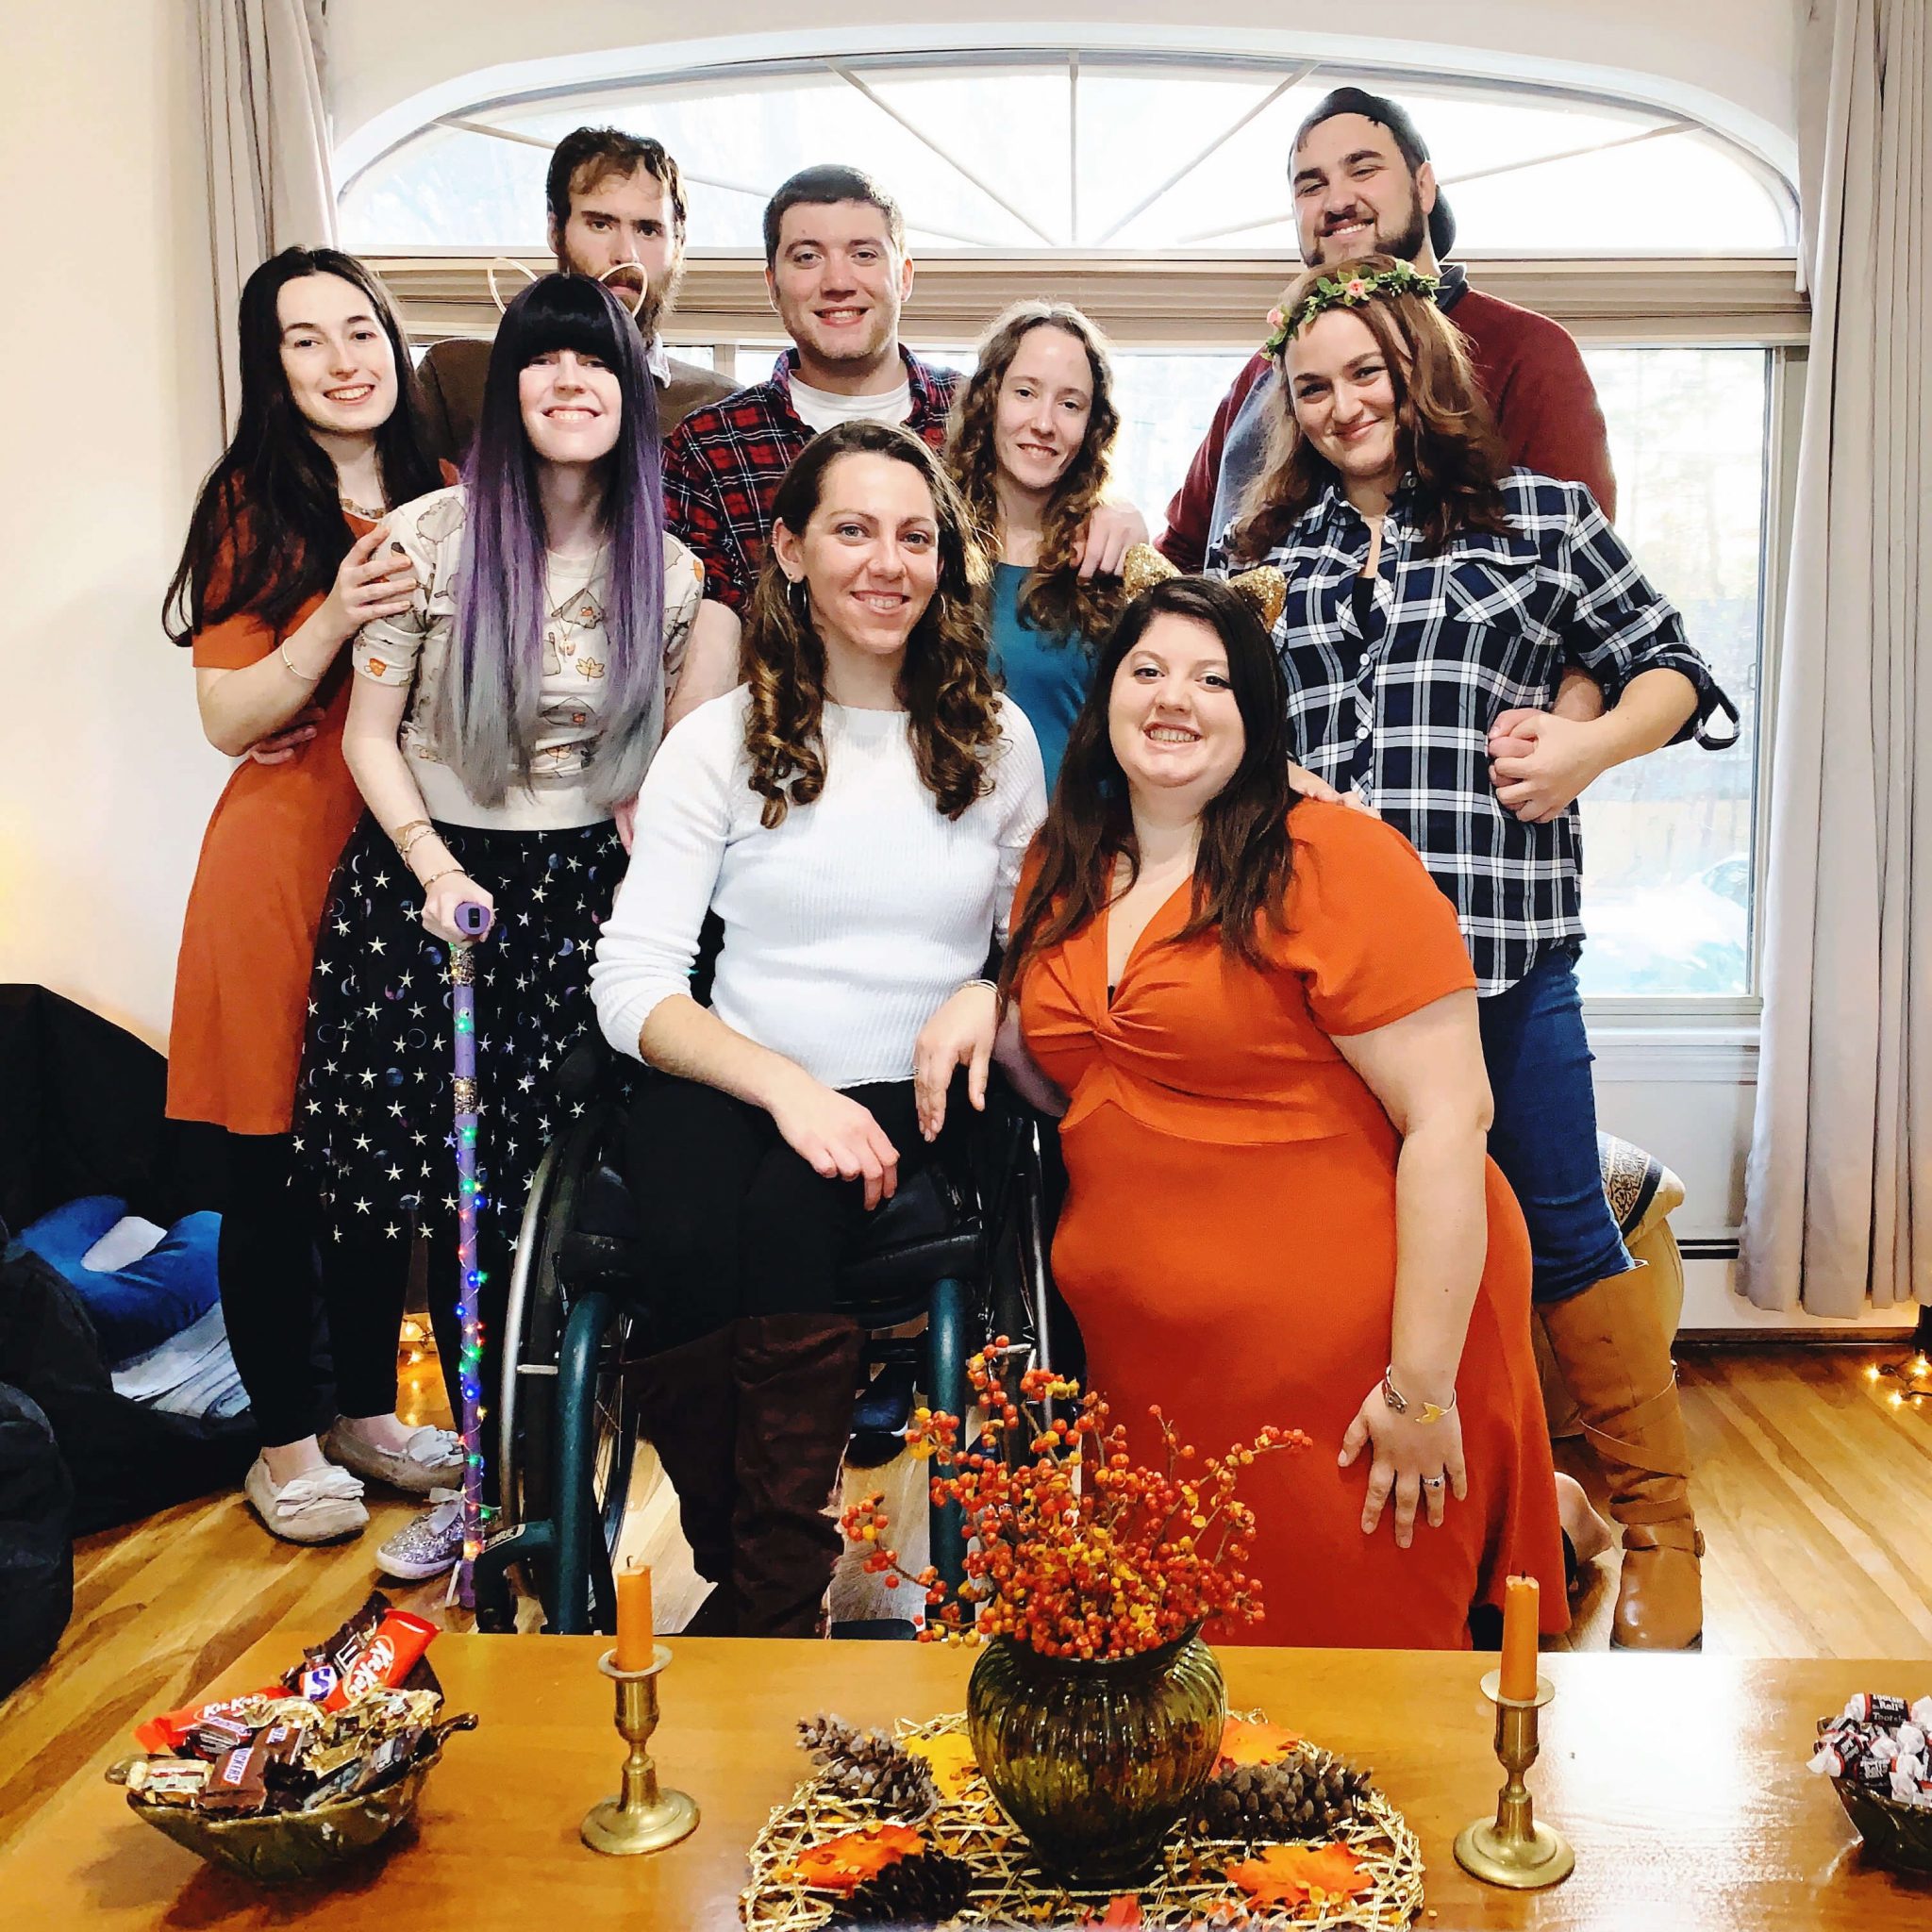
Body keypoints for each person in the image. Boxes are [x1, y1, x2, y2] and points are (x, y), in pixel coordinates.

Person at [1214, 255, 1737, 1649]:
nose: (1341, 408)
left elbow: (1676, 671)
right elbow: (1213, 729)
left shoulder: (1543, 523)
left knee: (1562, 1231)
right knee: (1367, 1254)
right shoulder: (1265, 563)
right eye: (1311, 388)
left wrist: (1585, 743)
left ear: (1418, 371)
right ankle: (1491, 1521)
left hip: (1502, 953)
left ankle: (1664, 1527)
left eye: (1365, 376)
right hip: (1326, 976)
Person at [991, 573, 1566, 1649]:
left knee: (1356, 1709)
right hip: (1150, 1373)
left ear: (1256, 715)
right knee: (1182, 1702)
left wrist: (1419, 1392)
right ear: (1105, 692)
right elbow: (1090, 1071)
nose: (1175, 698)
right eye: (1147, 669)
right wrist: (965, 1006)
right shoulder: (1059, 864)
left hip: (1357, 1362)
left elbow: (1450, 1119)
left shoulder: (1333, 858)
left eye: (1214, 679)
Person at [591, 420, 1046, 1636]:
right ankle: (752, 1573)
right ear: (790, 549)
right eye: (851, 529)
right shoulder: (719, 741)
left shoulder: (995, 745)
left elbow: (1037, 943)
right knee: (681, 1202)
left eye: (914, 535)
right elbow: (633, 981)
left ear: (944, 561)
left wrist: (985, 985)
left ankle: (769, 1597)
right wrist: (786, 1089)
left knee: (790, 1208)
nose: (885, 561)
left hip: (919, 1084)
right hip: (742, 1072)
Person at [297, 273, 703, 1579]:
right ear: (511, 390)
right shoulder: (423, 541)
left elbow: (660, 761)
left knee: (547, 1204)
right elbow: (369, 735)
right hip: (427, 883)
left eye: (598, 366)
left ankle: (548, 1471)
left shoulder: (675, 572)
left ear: (629, 395)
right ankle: (469, 1483)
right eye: (544, 363)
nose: (570, 385)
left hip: (579, 889)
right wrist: (424, 867)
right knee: (432, 1199)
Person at [164, 246, 455, 1544]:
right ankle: (284, 1444)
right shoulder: (251, 503)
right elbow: (230, 713)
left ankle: (362, 1420)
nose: (346, 359)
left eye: (362, 329)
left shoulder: (447, 496)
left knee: (374, 1160)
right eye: (305, 339)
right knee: (276, 1166)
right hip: (281, 868)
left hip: (413, 870)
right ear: (270, 369)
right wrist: (335, 613)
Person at [665, 165, 1147, 724]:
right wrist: (687, 775)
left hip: (946, 758)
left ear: (906, 275)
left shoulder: (972, 414)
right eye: (807, 256)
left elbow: (1060, 489)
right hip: (782, 765)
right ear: (771, 283)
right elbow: (701, 636)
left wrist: (1118, 515)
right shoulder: (711, 443)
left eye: (864, 254)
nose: (838, 280)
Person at [1158, 86, 1615, 575]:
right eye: (1311, 186)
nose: (1337, 201)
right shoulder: (1261, 378)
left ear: (1424, 187)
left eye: (1363, 169)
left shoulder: (1526, 351)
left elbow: (1582, 584)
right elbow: (1182, 556)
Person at [415, 126, 732, 464]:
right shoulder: (458, 380)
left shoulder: (718, 410)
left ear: (678, 247)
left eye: (648, 230)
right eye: (600, 224)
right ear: (555, 230)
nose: (626, 254)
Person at [945, 300, 1124, 791]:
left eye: (1070, 404)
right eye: (1025, 393)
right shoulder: (930, 546)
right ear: (990, 400)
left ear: (1092, 426)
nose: (1044, 423)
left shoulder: (1107, 561)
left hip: (1077, 846)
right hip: (948, 840)